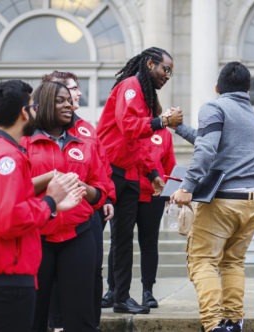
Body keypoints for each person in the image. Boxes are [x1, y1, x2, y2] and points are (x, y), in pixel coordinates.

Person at [0, 80, 85, 332]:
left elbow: (10, 209)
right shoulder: (7, 157)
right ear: (25, 112)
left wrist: (53, 207)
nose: (38, 111)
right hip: (6, 273)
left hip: (2, 272)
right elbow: (8, 221)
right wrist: (50, 201)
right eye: (34, 106)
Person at [171, 62, 254, 332]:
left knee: (202, 260)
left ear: (217, 88)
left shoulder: (214, 107)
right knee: (233, 261)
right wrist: (180, 128)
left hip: (225, 199)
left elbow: (206, 151)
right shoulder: (249, 113)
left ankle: (213, 325)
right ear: (246, 89)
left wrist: (187, 186)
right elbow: (211, 141)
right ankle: (233, 321)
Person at [96, 47, 182, 314]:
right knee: (104, 239)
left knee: (123, 241)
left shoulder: (145, 95)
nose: (168, 76)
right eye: (165, 69)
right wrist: (163, 120)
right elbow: (128, 126)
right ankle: (100, 294)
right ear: (149, 64)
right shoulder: (130, 86)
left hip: (130, 173)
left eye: (171, 72)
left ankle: (121, 297)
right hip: (109, 170)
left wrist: (154, 175)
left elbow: (140, 145)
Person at [23, 81, 111, 331]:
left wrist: (85, 188)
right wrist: (50, 179)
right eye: (60, 100)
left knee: (80, 315)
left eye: (69, 100)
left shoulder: (84, 142)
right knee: (34, 314)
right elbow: (15, 189)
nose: (69, 105)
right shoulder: (26, 142)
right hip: (37, 237)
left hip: (78, 235)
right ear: (43, 105)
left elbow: (101, 190)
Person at [103, 126, 176, 310]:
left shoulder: (163, 133)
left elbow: (169, 163)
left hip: (153, 194)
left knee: (149, 242)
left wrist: (170, 192)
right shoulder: (127, 128)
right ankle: (113, 290)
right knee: (118, 240)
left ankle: (147, 291)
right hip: (125, 190)